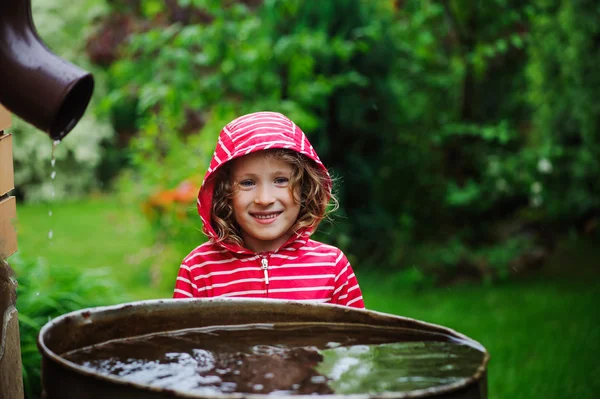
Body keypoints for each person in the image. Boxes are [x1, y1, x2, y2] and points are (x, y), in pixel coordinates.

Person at [173, 111, 364, 308]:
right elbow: (180, 338)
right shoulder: (198, 270)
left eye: (281, 181)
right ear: (224, 192)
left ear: (305, 188)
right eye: (247, 183)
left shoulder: (332, 267)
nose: (264, 199)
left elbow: (357, 338)